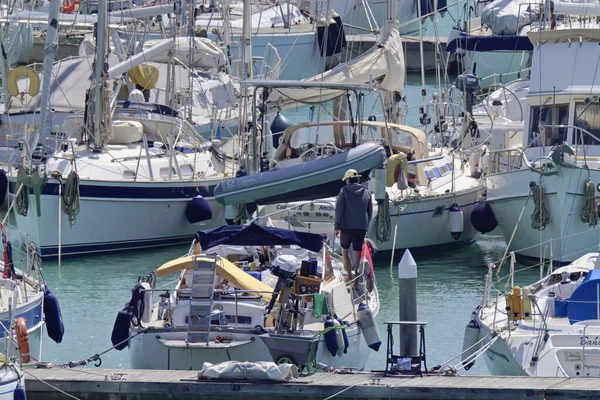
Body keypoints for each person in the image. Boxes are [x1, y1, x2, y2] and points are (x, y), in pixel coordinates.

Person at [334, 169, 373, 282]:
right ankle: (357, 280)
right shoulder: (367, 192)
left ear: (348, 179)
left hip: (346, 228)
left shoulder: (344, 191)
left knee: (345, 252)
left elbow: (339, 210)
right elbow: (369, 212)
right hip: (361, 228)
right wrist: (365, 226)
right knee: (357, 255)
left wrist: (337, 226)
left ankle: (350, 278)